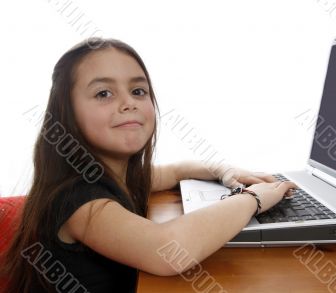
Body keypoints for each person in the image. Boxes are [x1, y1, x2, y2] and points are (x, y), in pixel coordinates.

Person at [0, 38, 297, 293]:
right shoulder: (77, 198)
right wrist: (253, 200)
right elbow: (168, 250)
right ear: (67, 114)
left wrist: (223, 171)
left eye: (138, 91)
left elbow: (176, 171)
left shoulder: (115, 173)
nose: (128, 103)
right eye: (104, 93)